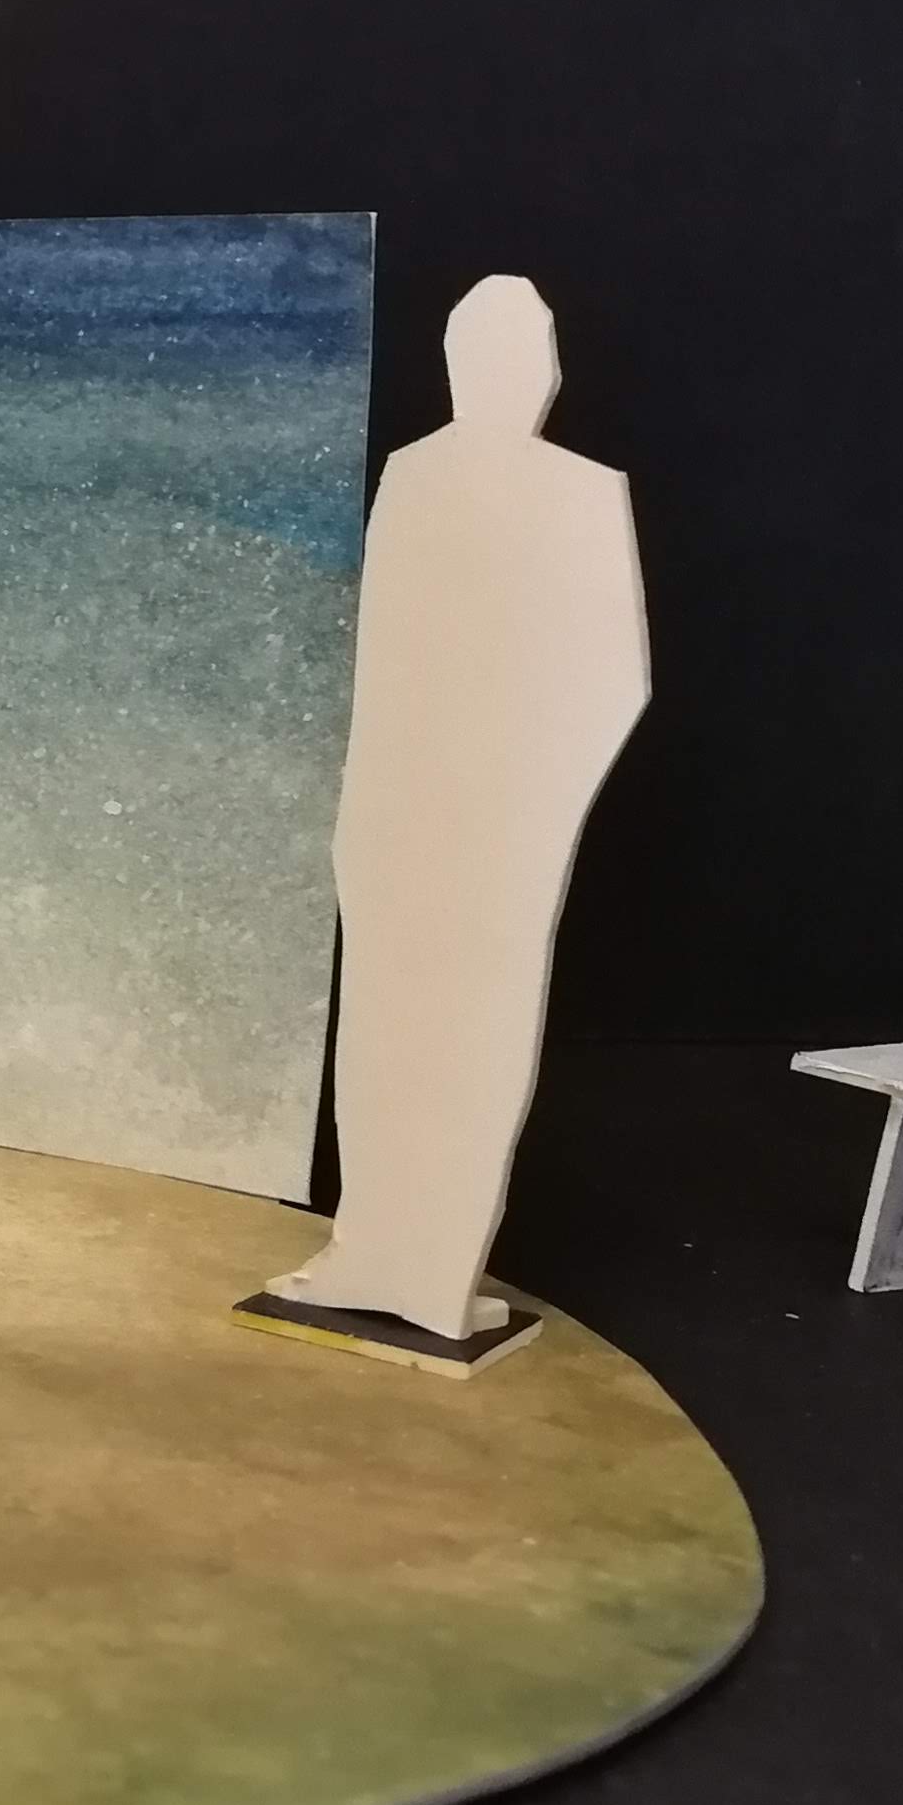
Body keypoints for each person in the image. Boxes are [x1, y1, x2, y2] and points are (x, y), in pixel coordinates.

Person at [274, 276, 649, 1340]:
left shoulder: (580, 492)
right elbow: (383, 658)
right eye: (478, 346)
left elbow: (615, 678)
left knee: (473, 1034)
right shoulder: (414, 473)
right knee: (382, 1033)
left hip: (502, 818)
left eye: (517, 348)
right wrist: (366, 804)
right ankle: (368, 1251)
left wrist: (538, 803)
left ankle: (435, 1272)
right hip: (397, 808)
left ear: (546, 370)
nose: (500, 368)